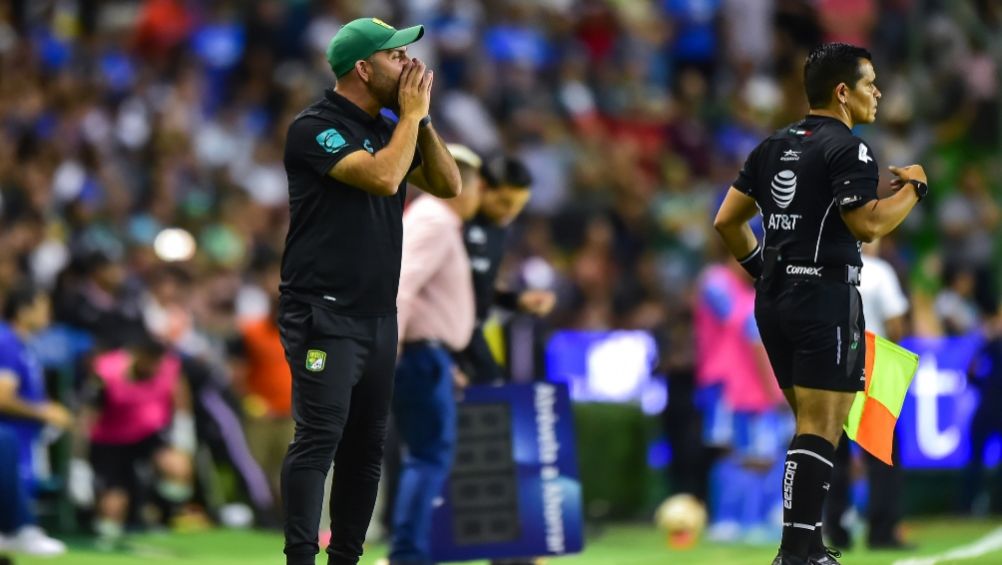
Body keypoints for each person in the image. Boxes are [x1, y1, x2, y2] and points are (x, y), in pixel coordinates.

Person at [713, 43, 928, 565]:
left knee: (813, 426)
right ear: (841, 92)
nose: (877, 92)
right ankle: (794, 554)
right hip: (824, 299)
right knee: (820, 425)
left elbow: (726, 221)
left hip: (774, 300)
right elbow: (869, 224)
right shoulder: (848, 148)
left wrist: (765, 273)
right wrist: (914, 187)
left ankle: (808, 547)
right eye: (870, 82)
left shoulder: (771, 146)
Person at [278, 17, 461, 565]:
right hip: (323, 311)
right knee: (319, 439)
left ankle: (346, 560)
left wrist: (419, 121)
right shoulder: (314, 127)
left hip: (378, 316)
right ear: (362, 68)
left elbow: (449, 185)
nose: (409, 64)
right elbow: (382, 178)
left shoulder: (391, 129)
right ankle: (301, 559)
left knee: (366, 449)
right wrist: (408, 116)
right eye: (395, 56)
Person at [388, 144, 482, 565]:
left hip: (429, 355)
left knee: (424, 455)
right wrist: (390, 351)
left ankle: (409, 550)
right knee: (427, 455)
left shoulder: (432, 220)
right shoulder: (436, 219)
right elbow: (403, 284)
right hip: (419, 354)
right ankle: (408, 554)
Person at [824, 239, 913, 550]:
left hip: (833, 368)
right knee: (882, 455)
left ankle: (835, 531)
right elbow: (895, 324)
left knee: (836, 456)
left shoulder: (827, 268)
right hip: (871, 368)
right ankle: (882, 531)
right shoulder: (879, 272)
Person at [457, 154, 556, 387]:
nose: (510, 212)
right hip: (442, 334)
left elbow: (480, 287)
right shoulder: (456, 221)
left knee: (494, 389)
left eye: (519, 205)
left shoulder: (498, 229)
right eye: (504, 202)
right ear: (482, 187)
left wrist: (517, 301)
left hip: (471, 330)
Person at [0, 284, 71, 556]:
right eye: (43, 308)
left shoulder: (22, 344)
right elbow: (3, 396)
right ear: (23, 310)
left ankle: (16, 531)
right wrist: (44, 411)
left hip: (24, 435)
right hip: (10, 433)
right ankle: (20, 530)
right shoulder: (6, 342)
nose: (48, 315)